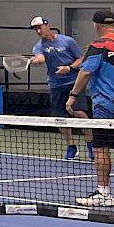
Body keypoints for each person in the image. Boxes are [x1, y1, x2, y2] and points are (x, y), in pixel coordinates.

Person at [68, 10, 114, 207]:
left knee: (100, 148)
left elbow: (85, 72)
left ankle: (103, 193)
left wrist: (73, 96)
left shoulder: (99, 46)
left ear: (96, 25)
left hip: (106, 108)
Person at [28, 16, 89, 160]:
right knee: (59, 118)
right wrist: (36, 60)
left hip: (74, 82)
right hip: (56, 85)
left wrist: (69, 68)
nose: (38, 31)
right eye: (35, 29)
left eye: (40, 27)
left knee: (79, 112)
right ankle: (71, 147)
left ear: (47, 25)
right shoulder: (38, 46)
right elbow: (41, 58)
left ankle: (91, 144)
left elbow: (80, 59)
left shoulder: (67, 41)